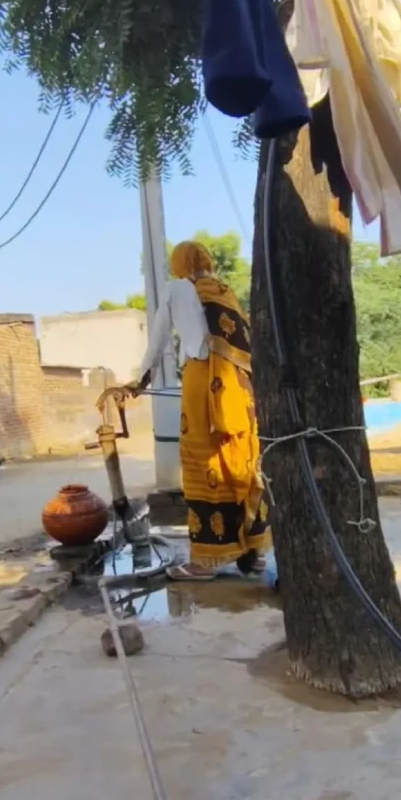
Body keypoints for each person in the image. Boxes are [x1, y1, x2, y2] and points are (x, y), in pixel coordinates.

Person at [131, 240, 271, 580]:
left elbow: (159, 337)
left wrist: (139, 380)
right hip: (239, 389)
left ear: (180, 264)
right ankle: (251, 552)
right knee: (240, 462)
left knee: (204, 463)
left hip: (203, 385)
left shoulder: (178, 288)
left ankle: (206, 560)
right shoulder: (226, 292)